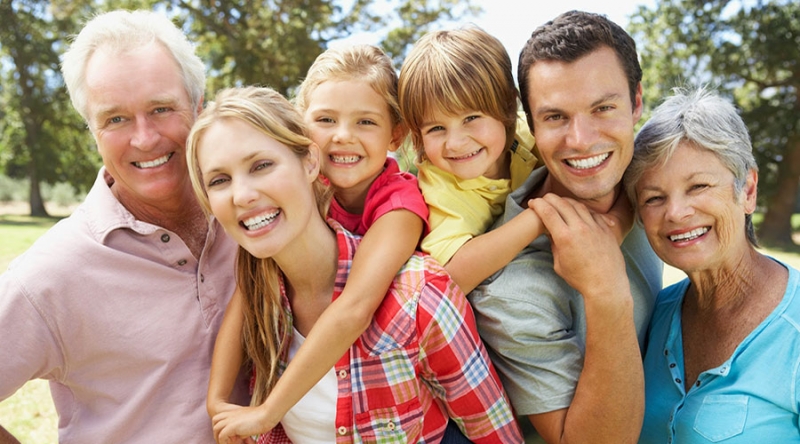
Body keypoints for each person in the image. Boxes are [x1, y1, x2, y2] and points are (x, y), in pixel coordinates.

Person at [185, 86, 523, 443]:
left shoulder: (419, 297)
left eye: (262, 166)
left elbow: (496, 435)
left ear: (311, 162)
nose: (243, 195)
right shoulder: (263, 301)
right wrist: (219, 407)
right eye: (220, 180)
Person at [0, 9, 248, 444]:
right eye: (115, 118)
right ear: (92, 130)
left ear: (199, 106)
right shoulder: (51, 275)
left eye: (161, 109)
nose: (144, 138)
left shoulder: (253, 221)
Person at [205, 43, 431, 440]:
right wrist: (217, 400)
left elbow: (355, 307)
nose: (343, 137)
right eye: (325, 119)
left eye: (365, 122)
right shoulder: (302, 193)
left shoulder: (399, 206)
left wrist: (267, 412)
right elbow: (247, 292)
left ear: (396, 135)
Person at [468, 10, 664, 443]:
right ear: (532, 126)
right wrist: (605, 293)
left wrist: (615, 221)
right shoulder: (511, 290)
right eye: (556, 117)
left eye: (603, 108)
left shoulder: (652, 180)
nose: (581, 139)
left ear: (636, 103)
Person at [624, 87, 800, 443]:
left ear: (747, 190)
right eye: (654, 197)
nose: (675, 212)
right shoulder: (657, 311)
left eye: (699, 186)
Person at [397, 26, 542, 293]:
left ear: (509, 106)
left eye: (471, 118)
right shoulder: (440, 185)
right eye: (435, 128)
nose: (455, 143)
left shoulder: (527, 137)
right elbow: (452, 276)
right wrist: (539, 217)